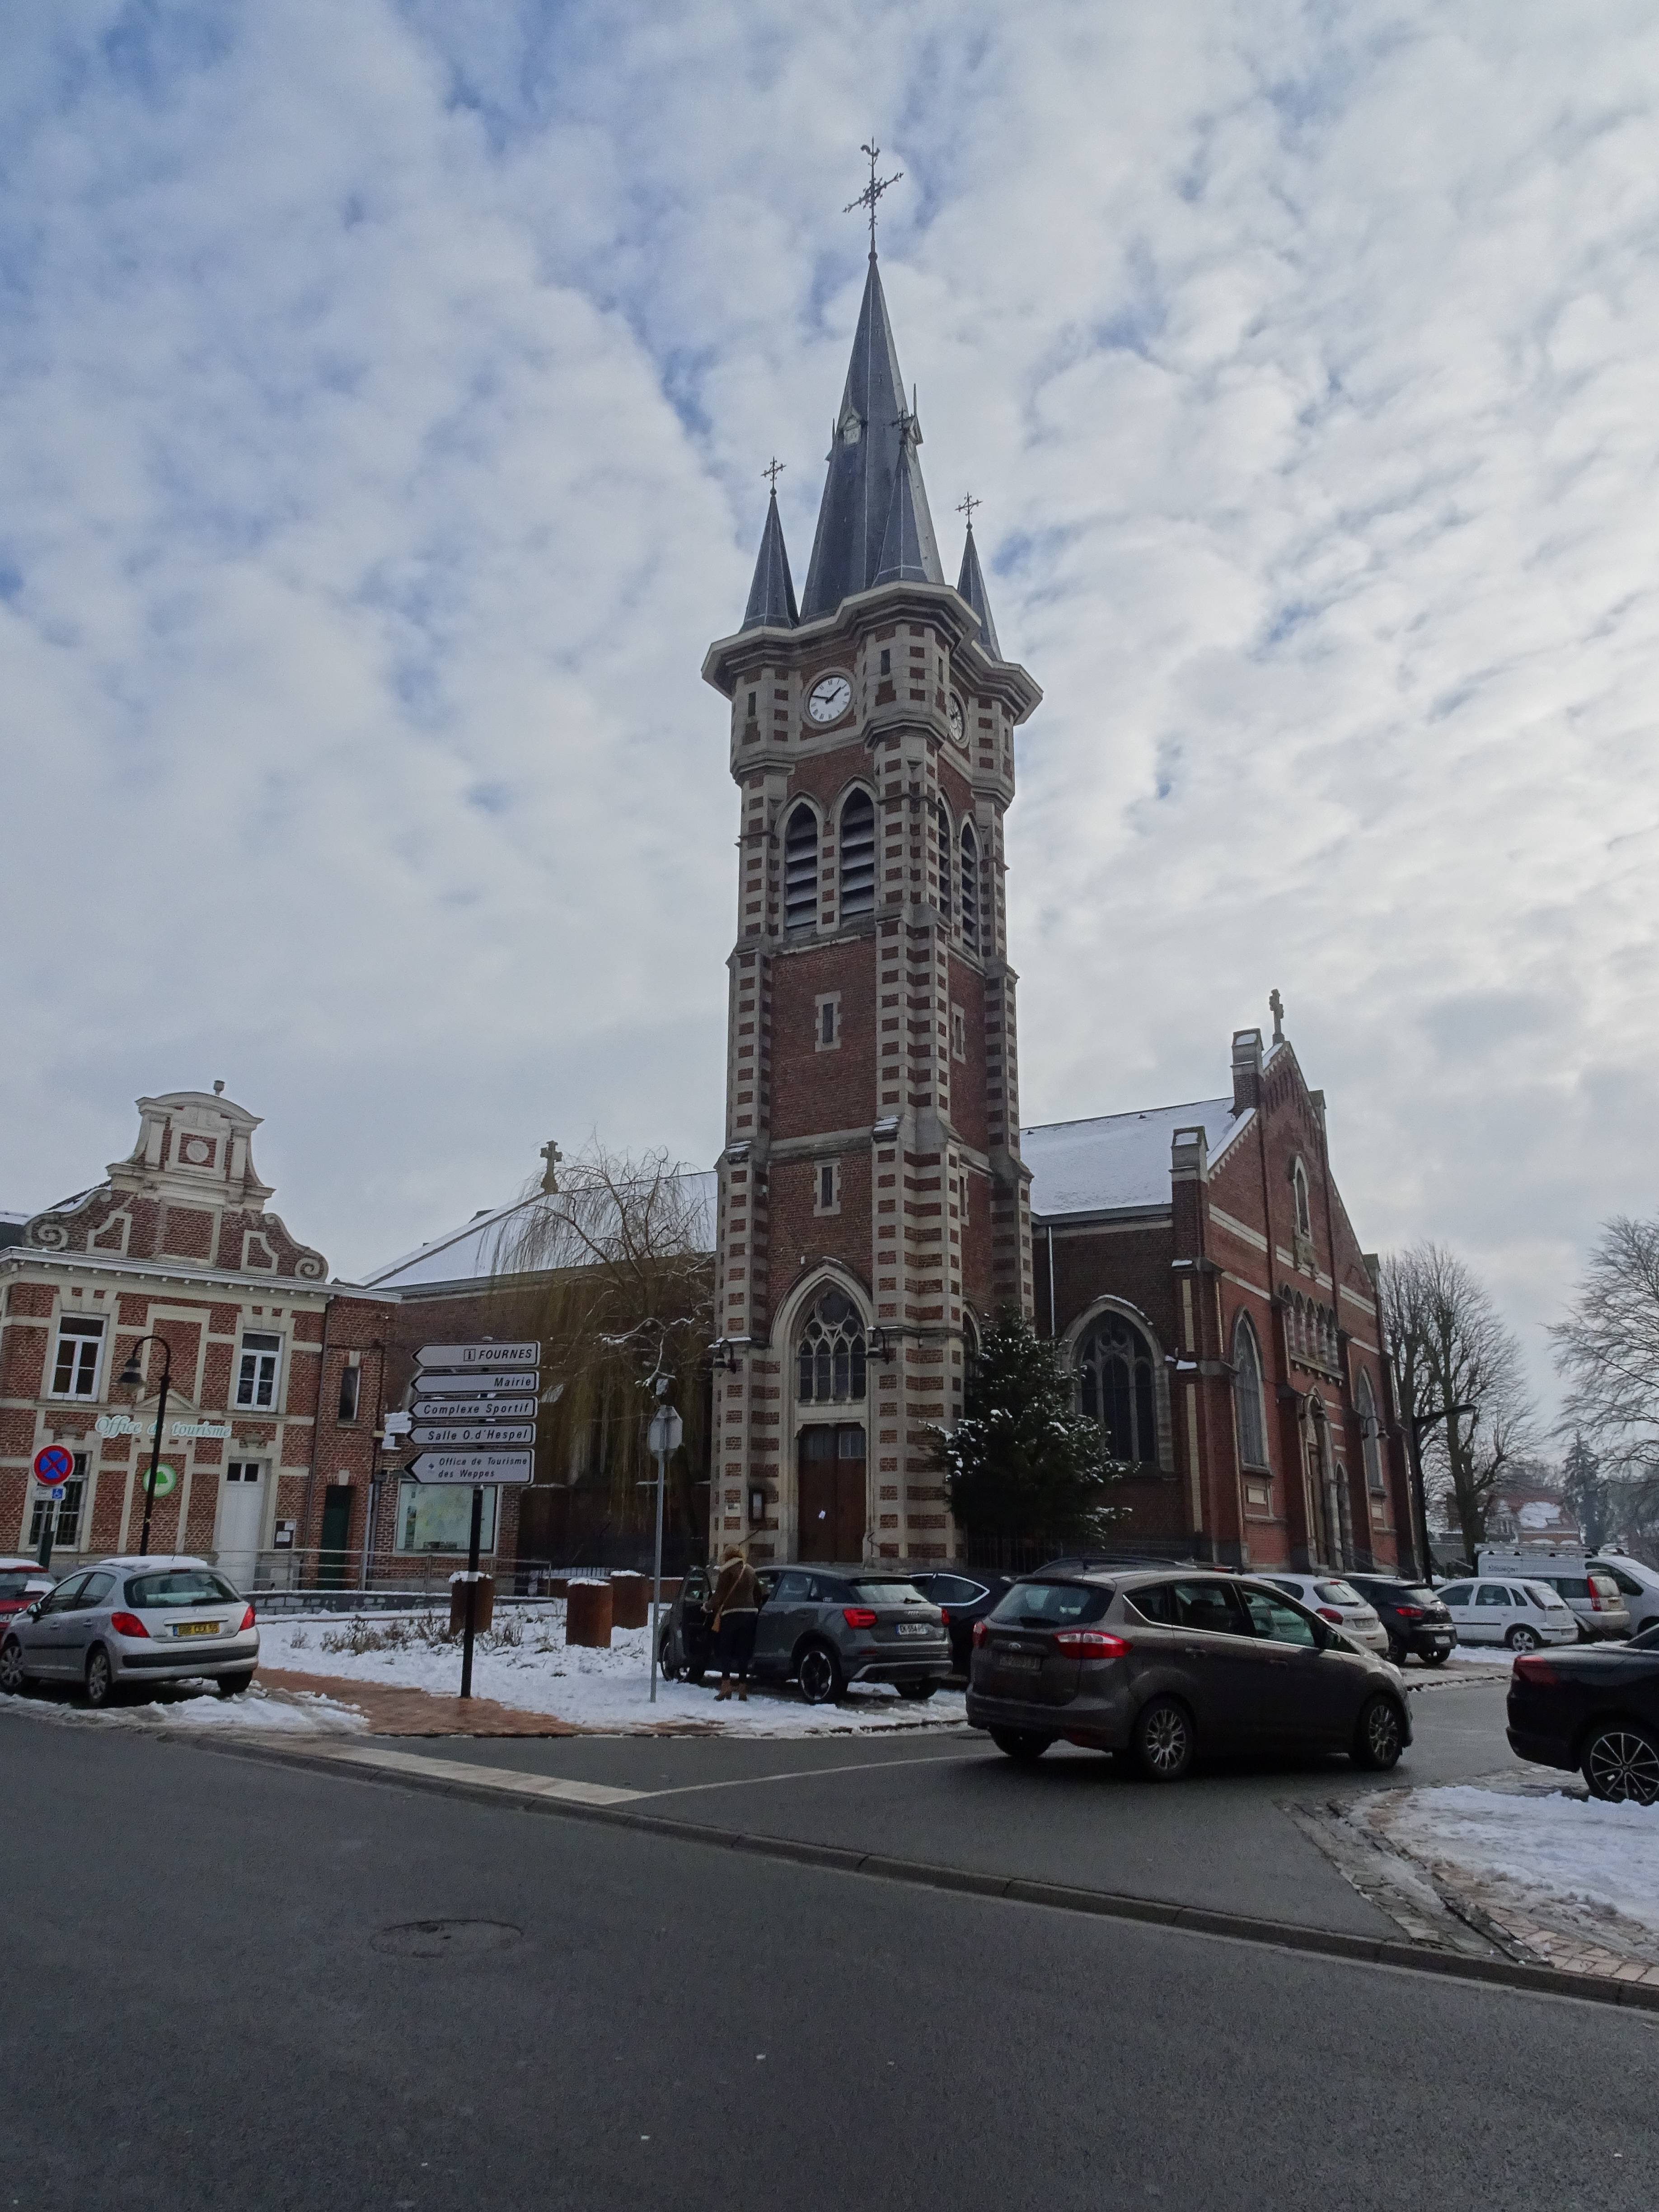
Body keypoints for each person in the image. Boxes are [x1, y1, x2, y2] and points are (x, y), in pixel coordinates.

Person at [710, 1543, 760, 1701]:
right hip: (750, 1615)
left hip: (731, 1615)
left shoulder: (726, 1571)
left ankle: (726, 1688)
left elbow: (719, 1595)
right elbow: (759, 1593)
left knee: (726, 1651)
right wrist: (754, 1608)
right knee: (743, 1652)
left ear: (727, 1556)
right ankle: (743, 1690)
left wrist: (707, 1607)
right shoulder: (751, 1571)